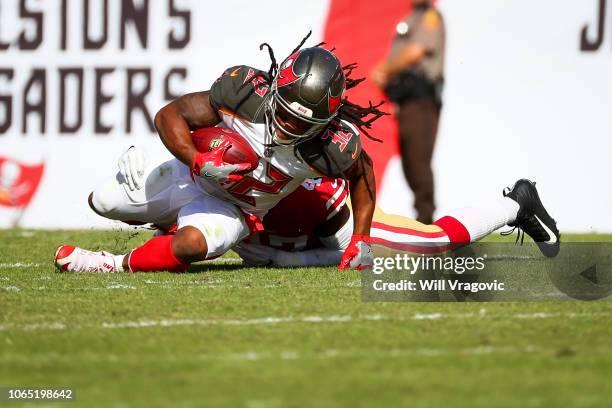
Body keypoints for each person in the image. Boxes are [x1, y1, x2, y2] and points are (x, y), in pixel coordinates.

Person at [54, 37, 388, 273]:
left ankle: (110, 263)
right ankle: (162, 219)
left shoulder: (332, 144)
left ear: (325, 121)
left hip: (236, 209)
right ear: (274, 90)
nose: (286, 125)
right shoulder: (242, 92)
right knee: (102, 201)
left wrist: (362, 239)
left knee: (189, 246)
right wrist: (196, 161)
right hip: (192, 175)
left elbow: (363, 175)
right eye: (284, 112)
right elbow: (170, 115)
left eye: (301, 122)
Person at [234, 176, 560, 267]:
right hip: (315, 222)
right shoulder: (209, 193)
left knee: (434, 242)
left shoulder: (299, 196)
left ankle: (516, 203)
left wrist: (292, 259)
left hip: (343, 218)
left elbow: (339, 247)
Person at [371, 0, 445, 224]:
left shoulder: (430, 17)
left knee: (418, 161)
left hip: (421, 100)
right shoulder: (410, 19)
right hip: (406, 101)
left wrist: (385, 68)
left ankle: (426, 222)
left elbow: (416, 51)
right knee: (409, 163)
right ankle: (423, 220)